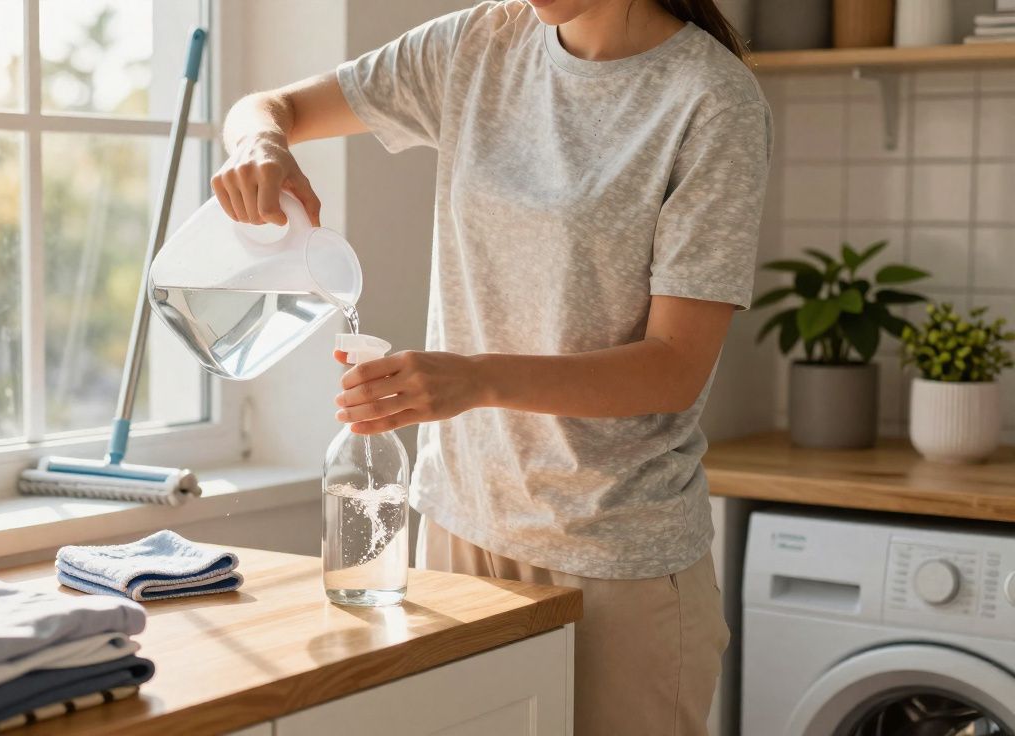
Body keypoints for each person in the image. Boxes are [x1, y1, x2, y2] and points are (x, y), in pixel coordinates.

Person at [213, 0, 771, 731]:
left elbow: (674, 367)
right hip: (457, 536)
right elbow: (271, 106)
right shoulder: (477, 44)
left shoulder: (711, 98)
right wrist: (259, 143)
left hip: (615, 556)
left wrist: (476, 379)